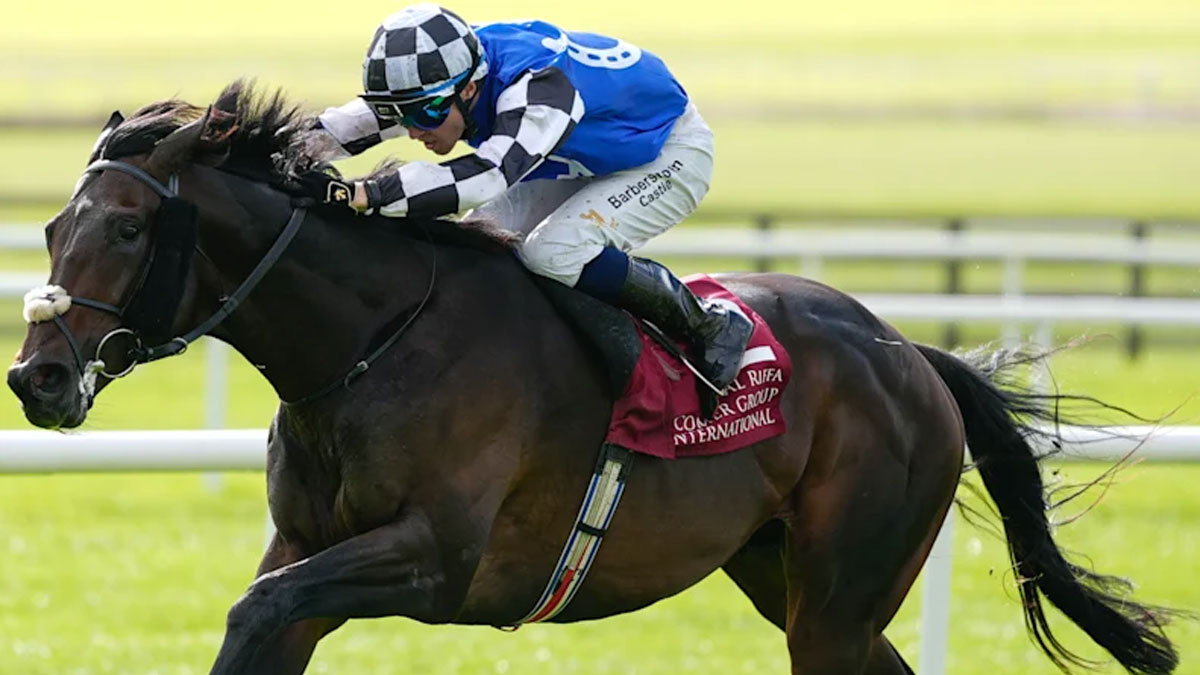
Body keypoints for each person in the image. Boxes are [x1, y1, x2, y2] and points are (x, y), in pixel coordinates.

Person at [295, 3, 752, 392]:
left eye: (424, 115)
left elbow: (485, 178)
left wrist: (366, 193)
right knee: (477, 247)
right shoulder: (451, 69)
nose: (414, 132)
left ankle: (708, 323)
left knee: (554, 252)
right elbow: (346, 126)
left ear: (469, 89)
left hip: (666, 152)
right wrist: (278, 151)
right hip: (574, 156)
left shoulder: (540, 88)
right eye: (401, 116)